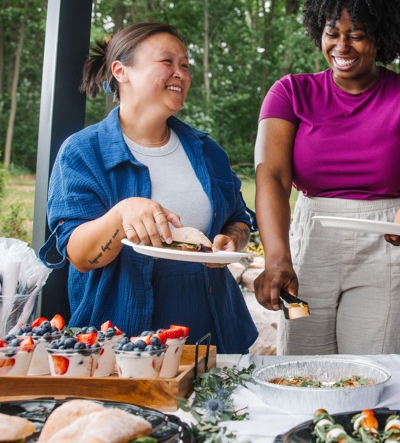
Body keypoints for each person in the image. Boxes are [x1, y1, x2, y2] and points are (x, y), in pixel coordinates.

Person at [253, 0, 400, 355]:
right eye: (332, 33)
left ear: (381, 37)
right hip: (311, 242)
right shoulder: (290, 93)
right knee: (301, 364)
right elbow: (272, 177)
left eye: (356, 35)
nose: (341, 46)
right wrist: (277, 257)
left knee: (377, 370)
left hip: (392, 245)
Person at [38, 22, 258, 354]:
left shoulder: (208, 151)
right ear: (121, 71)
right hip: (118, 344)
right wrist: (121, 214)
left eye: (185, 65)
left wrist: (231, 240)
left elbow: (239, 219)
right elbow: (79, 256)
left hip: (210, 340)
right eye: (167, 62)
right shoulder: (83, 152)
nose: (180, 73)